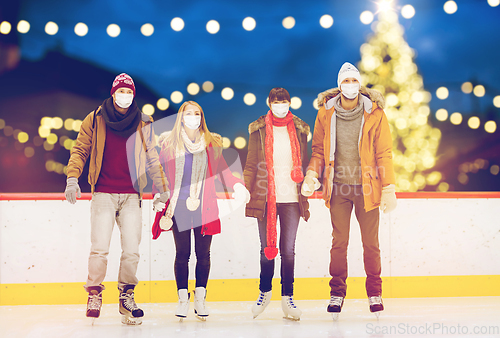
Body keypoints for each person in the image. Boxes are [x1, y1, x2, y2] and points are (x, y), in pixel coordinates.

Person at [64, 73, 169, 325]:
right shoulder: (96, 118)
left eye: (129, 92)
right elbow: (80, 149)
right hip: (103, 192)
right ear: (113, 93)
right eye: (121, 91)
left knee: (131, 250)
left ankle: (127, 296)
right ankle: (94, 294)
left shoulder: (143, 122)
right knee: (99, 248)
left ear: (133, 95)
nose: (125, 96)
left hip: (132, 195)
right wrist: (72, 178)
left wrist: (162, 189)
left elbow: (152, 157)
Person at [302, 62, 397, 319]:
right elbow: (319, 151)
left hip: (367, 188)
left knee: (371, 244)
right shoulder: (326, 113)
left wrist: (388, 187)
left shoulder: (375, 114)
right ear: (339, 85)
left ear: (360, 84)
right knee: (339, 243)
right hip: (338, 188)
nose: (351, 86)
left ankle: (374, 292)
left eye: (354, 81)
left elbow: (383, 153)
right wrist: (312, 173)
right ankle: (337, 293)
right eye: (346, 81)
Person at [151, 101, 250, 321]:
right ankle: (182, 299)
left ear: (201, 118)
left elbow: (224, 170)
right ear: (181, 118)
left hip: (204, 207)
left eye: (197, 114)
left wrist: (237, 185)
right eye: (189, 114)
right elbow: (160, 175)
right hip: (178, 208)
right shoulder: (169, 146)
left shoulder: (210, 144)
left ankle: (200, 297)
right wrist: (158, 196)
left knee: (203, 255)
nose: (193, 117)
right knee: (182, 254)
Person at [243, 87, 311, 321]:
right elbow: (251, 164)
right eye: (276, 102)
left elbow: (307, 161)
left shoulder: (301, 130)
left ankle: (288, 298)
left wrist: (311, 181)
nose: (280, 106)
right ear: (269, 104)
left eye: (284, 102)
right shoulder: (259, 130)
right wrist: (245, 186)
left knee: (288, 251)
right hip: (265, 198)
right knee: (266, 250)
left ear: (290, 103)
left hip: (292, 198)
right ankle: (264, 292)